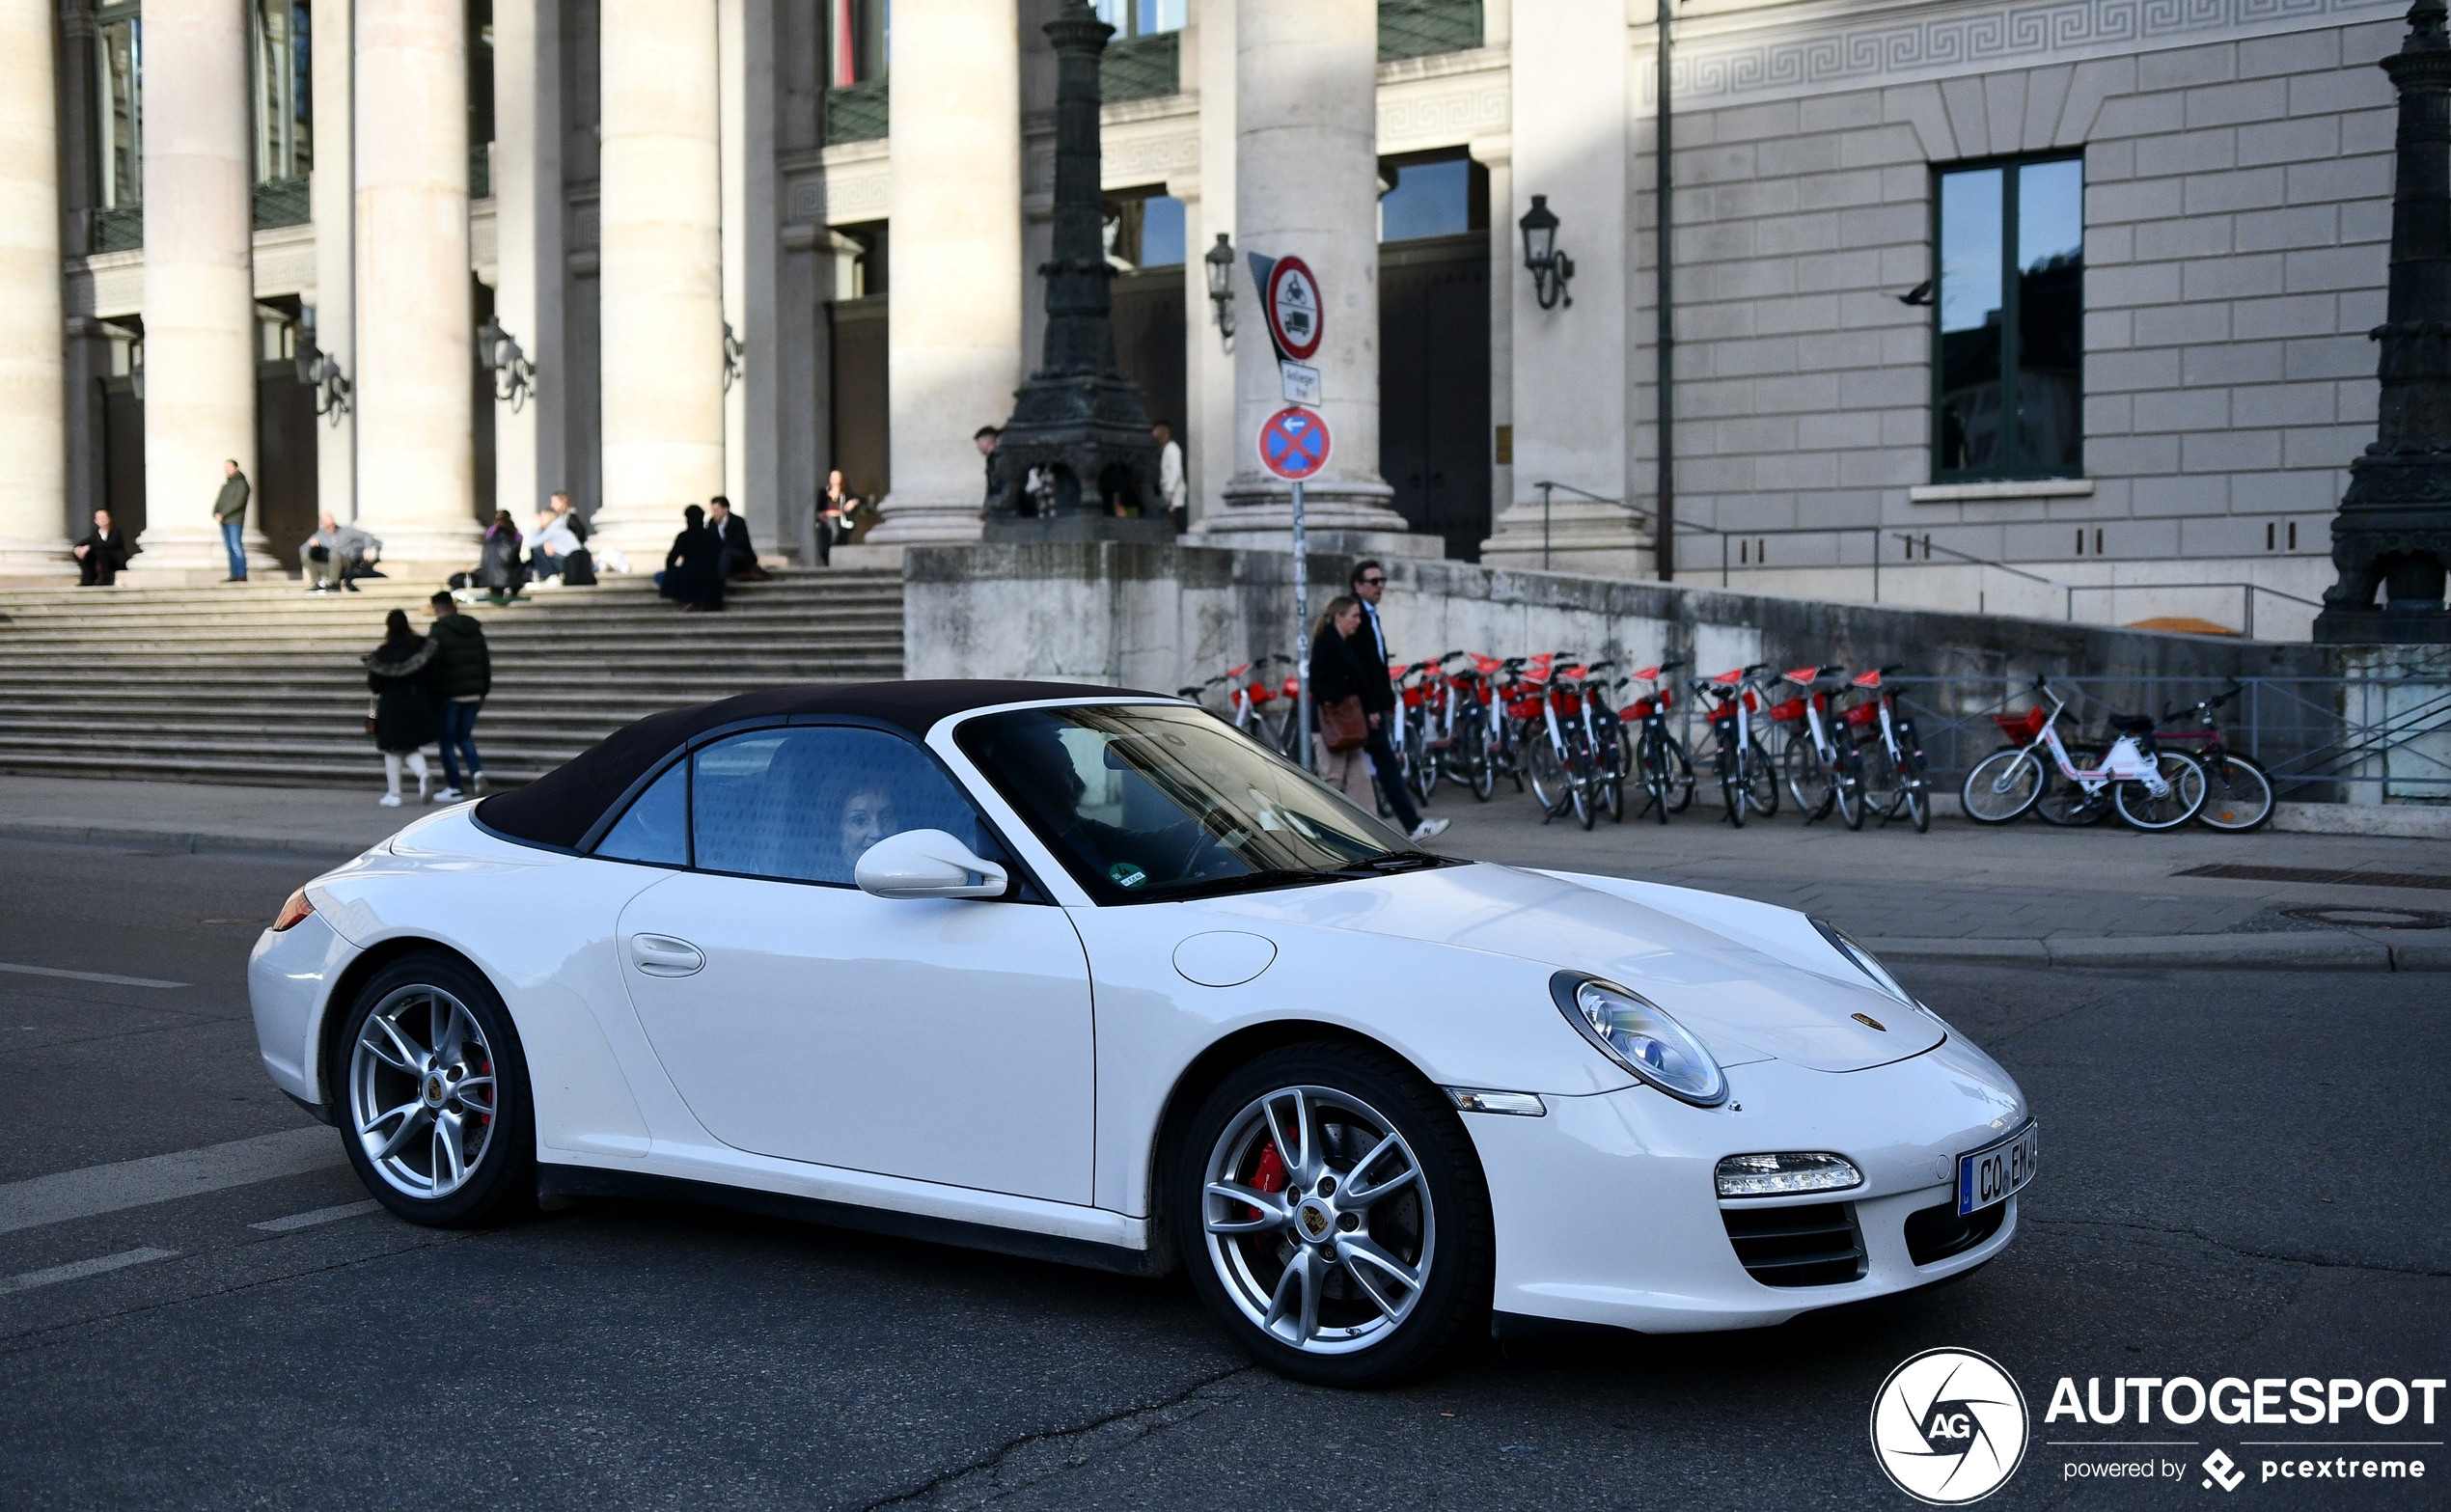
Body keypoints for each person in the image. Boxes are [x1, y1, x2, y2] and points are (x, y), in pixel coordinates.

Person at [1348, 559, 1448, 842]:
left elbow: (1376, 664)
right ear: (1358, 585)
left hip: (1375, 704)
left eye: (1382, 581)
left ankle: (1387, 824)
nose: (1380, 586)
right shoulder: (1358, 615)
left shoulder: (1370, 614)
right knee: (1381, 764)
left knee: (1364, 767)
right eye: (1373, 582)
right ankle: (1411, 824)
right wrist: (1371, 707)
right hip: (1367, 707)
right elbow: (1361, 668)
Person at [363, 608, 438, 808]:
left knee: (391, 748)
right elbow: (431, 677)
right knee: (409, 745)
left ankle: (395, 794)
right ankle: (423, 775)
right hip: (417, 702)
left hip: (392, 704)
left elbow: (375, 685)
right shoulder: (421, 647)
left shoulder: (383, 654)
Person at [1307, 595, 1375, 809]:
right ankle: (1322, 829)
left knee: (1361, 780)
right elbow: (1316, 682)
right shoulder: (1326, 643)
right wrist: (1339, 703)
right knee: (1333, 780)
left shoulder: (1346, 643)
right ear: (1340, 617)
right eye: (1354, 616)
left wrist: (1368, 710)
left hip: (1350, 724)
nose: (1358, 621)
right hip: (1331, 723)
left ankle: (1365, 833)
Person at [425, 591, 491, 800]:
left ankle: (455, 787)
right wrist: (483, 690)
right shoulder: (474, 629)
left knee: (446, 742)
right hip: (473, 693)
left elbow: (434, 667)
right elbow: (484, 661)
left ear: (436, 607)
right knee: (464, 737)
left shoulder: (438, 631)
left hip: (450, 695)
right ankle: (477, 772)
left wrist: (433, 696)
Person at [656, 504, 725, 612]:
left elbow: (670, 561)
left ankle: (686, 601)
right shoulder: (712, 536)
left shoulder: (684, 536)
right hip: (710, 577)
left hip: (688, 576)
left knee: (659, 576)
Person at [300, 512, 382, 592]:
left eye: (333, 524)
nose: (332, 527)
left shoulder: (346, 531)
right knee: (305, 556)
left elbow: (367, 535)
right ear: (323, 525)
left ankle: (334, 583)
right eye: (328, 526)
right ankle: (318, 583)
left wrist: (367, 549)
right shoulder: (319, 535)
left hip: (347, 565)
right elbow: (302, 549)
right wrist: (311, 545)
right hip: (329, 566)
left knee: (334, 553)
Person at [71, 509, 133, 586]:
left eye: (105, 517)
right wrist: (78, 548)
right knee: (84, 553)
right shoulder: (95, 534)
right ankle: (87, 579)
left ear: (109, 519)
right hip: (100, 559)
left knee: (101, 552)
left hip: (115, 560)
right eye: (100, 518)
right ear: (96, 521)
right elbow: (84, 543)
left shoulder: (115, 532)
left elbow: (110, 544)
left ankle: (104, 580)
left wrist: (90, 547)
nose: (103, 520)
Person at [708, 495, 762, 582]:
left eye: (717, 510)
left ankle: (721, 580)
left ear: (726, 509)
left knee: (726, 552)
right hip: (721, 555)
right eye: (713, 510)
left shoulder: (738, 522)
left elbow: (740, 543)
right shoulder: (712, 523)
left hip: (740, 555)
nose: (714, 513)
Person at [475, 510, 526, 600]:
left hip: (487, 575)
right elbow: (514, 555)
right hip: (507, 575)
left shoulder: (491, 534)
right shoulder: (514, 535)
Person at [213, 459, 251, 581]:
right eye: (226, 467)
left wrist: (223, 513)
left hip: (235, 521)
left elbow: (238, 502)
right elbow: (219, 502)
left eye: (229, 467)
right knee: (229, 548)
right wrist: (216, 513)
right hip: (225, 521)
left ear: (236, 468)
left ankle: (242, 574)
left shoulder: (242, 484)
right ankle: (234, 574)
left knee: (236, 546)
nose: (227, 470)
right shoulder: (226, 486)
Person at [524, 507, 582, 585]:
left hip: (570, 562)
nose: (540, 519)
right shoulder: (558, 527)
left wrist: (536, 527)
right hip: (575, 561)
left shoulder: (552, 530)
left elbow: (532, 543)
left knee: (538, 550)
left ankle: (549, 575)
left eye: (543, 516)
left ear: (549, 517)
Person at [816, 470, 860, 566]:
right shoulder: (824, 493)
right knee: (826, 544)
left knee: (840, 540)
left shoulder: (845, 494)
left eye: (836, 477)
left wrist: (853, 503)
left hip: (841, 521)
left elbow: (858, 499)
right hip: (827, 522)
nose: (834, 479)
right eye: (832, 477)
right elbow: (819, 509)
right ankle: (828, 563)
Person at [1154, 421, 1187, 524]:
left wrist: (1170, 491)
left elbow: (1176, 470)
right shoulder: (1167, 449)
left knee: (1172, 522)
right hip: (1169, 493)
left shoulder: (1172, 448)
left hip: (1173, 495)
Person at [976, 426, 1006, 515]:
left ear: (988, 440)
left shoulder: (997, 458)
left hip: (1001, 508)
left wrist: (990, 506)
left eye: (979, 441)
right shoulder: (993, 458)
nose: (978, 446)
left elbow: (995, 486)